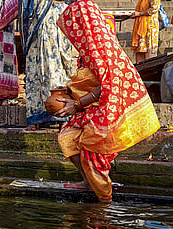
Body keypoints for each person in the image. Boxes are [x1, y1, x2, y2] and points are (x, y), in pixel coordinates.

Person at [53, 0, 160, 202]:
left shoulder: (101, 48)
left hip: (115, 108)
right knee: (66, 137)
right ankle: (88, 182)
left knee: (91, 149)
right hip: (93, 108)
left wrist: (76, 104)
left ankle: (104, 205)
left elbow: (109, 83)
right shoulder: (87, 52)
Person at [19, 0, 76, 129]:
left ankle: (62, 115)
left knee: (55, 66)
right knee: (34, 68)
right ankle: (35, 117)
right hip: (35, 15)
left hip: (55, 13)